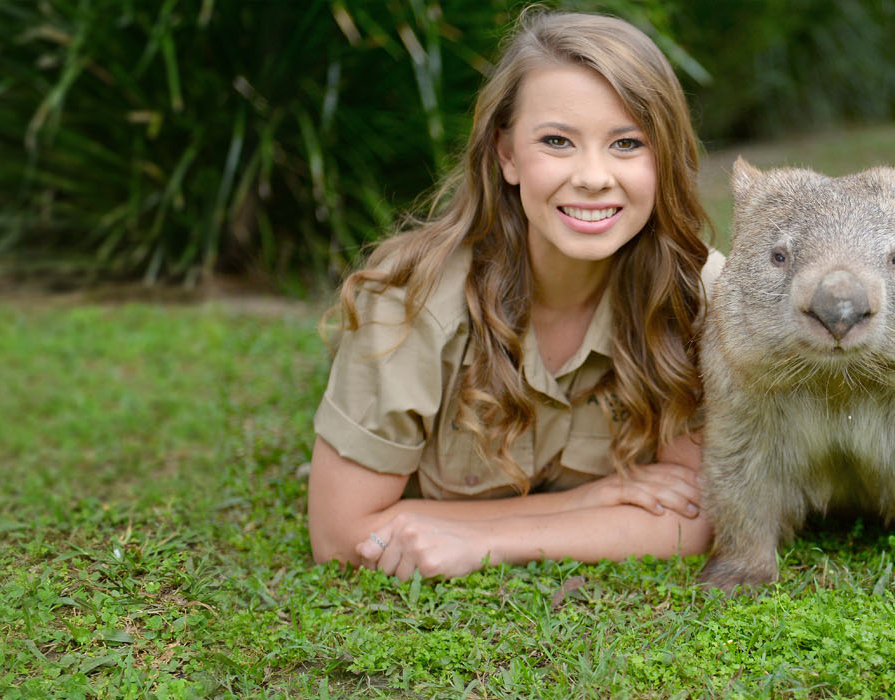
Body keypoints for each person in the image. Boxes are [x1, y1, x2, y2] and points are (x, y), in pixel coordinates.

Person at [306, 9, 724, 580]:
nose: (594, 176)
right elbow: (340, 534)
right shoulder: (412, 304)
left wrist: (489, 539)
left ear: (665, 157)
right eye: (557, 141)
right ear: (506, 154)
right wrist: (584, 503)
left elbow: (692, 516)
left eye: (627, 143)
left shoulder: (699, 299)